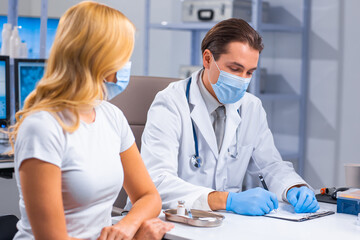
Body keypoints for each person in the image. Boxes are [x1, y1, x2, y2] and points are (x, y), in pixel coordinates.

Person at [8, 2, 173, 239]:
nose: (125, 67)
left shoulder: (111, 116)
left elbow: (149, 196)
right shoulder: (43, 127)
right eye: (123, 57)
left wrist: (125, 227)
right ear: (99, 59)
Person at [140, 18, 320, 216]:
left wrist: (293, 187)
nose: (242, 80)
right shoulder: (170, 103)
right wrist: (226, 200)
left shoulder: (251, 107)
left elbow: (270, 165)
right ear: (207, 59)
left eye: (249, 72)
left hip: (226, 223)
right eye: (235, 69)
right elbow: (156, 182)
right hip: (174, 220)